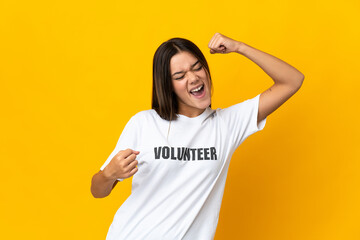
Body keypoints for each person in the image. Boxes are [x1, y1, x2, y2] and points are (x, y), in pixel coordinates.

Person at [91, 32, 304, 240]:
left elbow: (292, 81)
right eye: (180, 76)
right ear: (168, 85)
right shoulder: (144, 123)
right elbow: (98, 191)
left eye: (197, 67)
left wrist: (240, 47)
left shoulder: (226, 125)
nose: (193, 78)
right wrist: (109, 174)